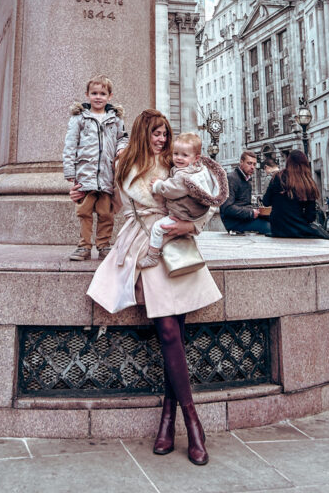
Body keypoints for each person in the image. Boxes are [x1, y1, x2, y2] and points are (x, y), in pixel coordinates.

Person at [87, 110, 220, 466]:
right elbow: (111, 204)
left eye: (165, 134)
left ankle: (172, 419)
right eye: (156, 133)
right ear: (143, 133)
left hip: (178, 247)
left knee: (177, 330)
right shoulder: (124, 164)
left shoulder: (179, 163)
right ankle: (190, 423)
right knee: (167, 329)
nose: (162, 140)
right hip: (144, 245)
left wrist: (190, 228)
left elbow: (205, 201)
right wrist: (80, 194)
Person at [139, 132, 228, 268]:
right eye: (176, 154)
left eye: (184, 155)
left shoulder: (184, 176)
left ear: (196, 158)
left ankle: (152, 256)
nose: (179, 158)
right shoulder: (197, 170)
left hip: (182, 213)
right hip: (190, 213)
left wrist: (157, 185)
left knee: (157, 228)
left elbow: (170, 189)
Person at [63, 75, 128, 261]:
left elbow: (122, 138)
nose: (98, 97)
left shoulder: (115, 119)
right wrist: (70, 171)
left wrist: (122, 148)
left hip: (107, 175)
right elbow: (70, 145)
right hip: (85, 174)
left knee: (106, 213)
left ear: (110, 96)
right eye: (94, 93)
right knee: (84, 212)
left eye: (102, 93)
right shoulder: (80, 118)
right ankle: (83, 245)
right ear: (87, 95)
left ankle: (104, 245)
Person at [261, 149, 321, 238]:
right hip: (299, 229)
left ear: (288, 162)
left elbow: (266, 202)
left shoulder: (278, 177)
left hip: (278, 229)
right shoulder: (308, 182)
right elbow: (310, 217)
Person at [220, 150, 271, 236]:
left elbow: (244, 204)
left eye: (254, 164)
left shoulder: (247, 179)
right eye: (249, 163)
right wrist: (251, 213)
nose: (252, 167)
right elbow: (227, 208)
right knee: (269, 227)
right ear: (241, 162)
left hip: (244, 219)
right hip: (234, 223)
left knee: (276, 221)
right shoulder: (231, 178)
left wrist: (257, 210)